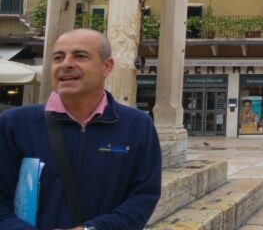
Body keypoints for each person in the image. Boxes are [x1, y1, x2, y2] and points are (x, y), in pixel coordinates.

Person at [0, 29, 162, 230]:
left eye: (80, 56)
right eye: (58, 57)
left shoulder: (138, 126)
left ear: (107, 66)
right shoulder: (14, 124)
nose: (66, 64)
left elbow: (143, 196)